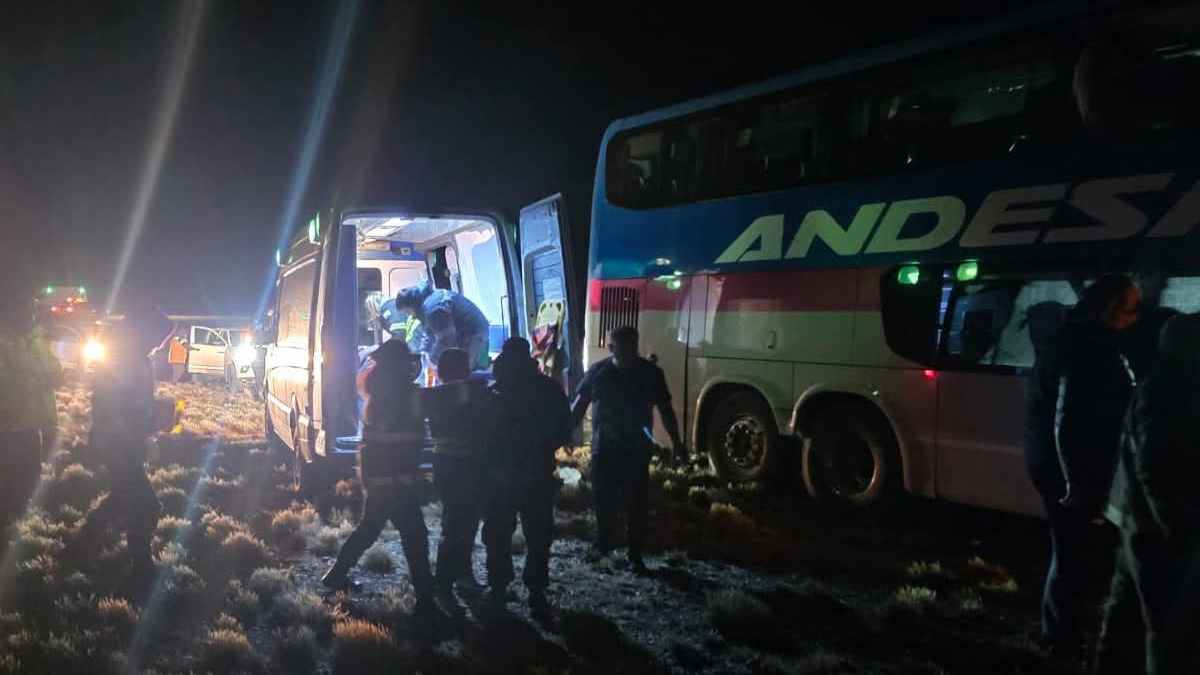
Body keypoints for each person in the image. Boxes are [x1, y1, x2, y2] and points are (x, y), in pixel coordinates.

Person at [1023, 274, 1141, 657]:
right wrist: (1076, 485)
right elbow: (1069, 419)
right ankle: (1061, 640)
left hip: (1060, 465)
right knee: (1073, 554)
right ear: (1109, 309)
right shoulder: (1088, 347)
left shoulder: (1072, 338)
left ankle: (1066, 631)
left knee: (1075, 552)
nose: (1136, 319)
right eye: (1131, 310)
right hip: (1070, 471)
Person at [1094, 314, 1200, 675]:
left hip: (1133, 517)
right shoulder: (1176, 389)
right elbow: (1157, 467)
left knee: (1124, 610)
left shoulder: (1160, 381)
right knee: (1167, 622)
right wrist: (1175, 523)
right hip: (1156, 527)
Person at [321, 340, 435, 604]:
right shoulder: (408, 394)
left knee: (370, 528)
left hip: (378, 480)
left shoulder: (378, 393)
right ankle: (426, 599)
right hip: (398, 482)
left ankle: (336, 574)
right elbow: (439, 400)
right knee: (415, 535)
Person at [72, 298, 173, 589]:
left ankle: (79, 550)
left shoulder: (132, 356)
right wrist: (148, 418)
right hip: (117, 442)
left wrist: (151, 417)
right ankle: (142, 567)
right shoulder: (124, 359)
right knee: (146, 504)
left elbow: (127, 403)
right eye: (156, 337)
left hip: (121, 440)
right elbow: (113, 405)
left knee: (121, 497)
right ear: (141, 331)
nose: (158, 343)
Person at [570, 326, 684, 573]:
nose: (626, 350)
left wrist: (677, 442)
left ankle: (634, 554)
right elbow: (579, 406)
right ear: (611, 348)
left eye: (630, 345)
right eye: (621, 345)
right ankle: (605, 546)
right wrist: (563, 433)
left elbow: (665, 409)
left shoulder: (650, 373)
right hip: (606, 450)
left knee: (636, 504)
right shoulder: (599, 373)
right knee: (604, 501)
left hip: (634, 450)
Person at [483, 338, 571, 609]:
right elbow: (563, 428)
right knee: (538, 533)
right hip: (538, 471)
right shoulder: (549, 390)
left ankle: (498, 586)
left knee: (498, 532)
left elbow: (481, 434)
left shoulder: (494, 393)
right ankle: (535, 589)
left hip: (501, 473)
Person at [423, 348, 493, 597]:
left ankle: (460, 576)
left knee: (457, 522)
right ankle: (444, 580)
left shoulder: (435, 395)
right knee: (459, 525)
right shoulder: (471, 393)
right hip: (465, 467)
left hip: (445, 464)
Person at [0, 290, 62, 546]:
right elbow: (6, 384)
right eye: (25, 310)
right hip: (8, 426)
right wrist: (40, 381)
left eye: (32, 310)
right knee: (9, 482)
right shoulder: (3, 341)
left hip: (33, 425)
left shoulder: (37, 340)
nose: (31, 316)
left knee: (29, 480)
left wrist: (42, 379)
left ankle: (18, 534)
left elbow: (55, 371)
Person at [396, 281, 491, 372]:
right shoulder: (426, 303)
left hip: (474, 333)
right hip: (469, 331)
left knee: (462, 370)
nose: (409, 315)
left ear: (413, 305)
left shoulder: (433, 309)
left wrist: (433, 359)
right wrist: (423, 353)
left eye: (407, 311)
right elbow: (429, 333)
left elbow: (446, 338)